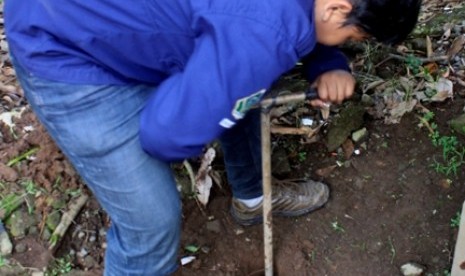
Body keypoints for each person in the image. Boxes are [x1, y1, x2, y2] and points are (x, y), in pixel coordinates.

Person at [4, 0, 421, 274]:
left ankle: (253, 199)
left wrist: (329, 59)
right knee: (151, 219)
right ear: (338, 7)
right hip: (65, 48)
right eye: (354, 38)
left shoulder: (277, 23)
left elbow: (267, 28)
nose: (351, 43)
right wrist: (211, 100)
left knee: (236, 81)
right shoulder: (262, 32)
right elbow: (163, 137)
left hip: (111, 19)